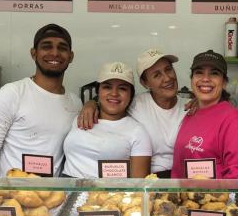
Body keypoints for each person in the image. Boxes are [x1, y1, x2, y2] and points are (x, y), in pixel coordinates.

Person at [0, 24, 82, 176]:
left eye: (62, 48)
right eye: (47, 47)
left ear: (71, 56)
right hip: (11, 197)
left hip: (51, 197)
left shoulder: (75, 103)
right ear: (33, 53)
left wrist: (93, 104)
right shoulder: (11, 93)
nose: (55, 53)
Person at [78, 48, 188, 178]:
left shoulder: (190, 106)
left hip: (185, 177)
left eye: (168, 69)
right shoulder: (136, 104)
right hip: (151, 178)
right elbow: (113, 101)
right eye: (157, 75)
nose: (167, 78)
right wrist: (91, 104)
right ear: (145, 83)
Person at [171, 50, 238, 179]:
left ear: (224, 83)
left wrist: (216, 198)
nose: (205, 79)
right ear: (192, 80)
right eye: (199, 72)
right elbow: (178, 169)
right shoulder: (190, 115)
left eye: (214, 73)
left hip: (217, 198)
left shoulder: (235, 121)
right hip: (184, 197)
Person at [62, 62, 151, 178]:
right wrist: (91, 103)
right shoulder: (81, 117)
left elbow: (138, 184)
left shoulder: (138, 132)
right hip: (67, 192)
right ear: (98, 91)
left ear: (131, 95)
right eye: (107, 87)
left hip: (108, 195)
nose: (114, 93)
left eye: (122, 88)